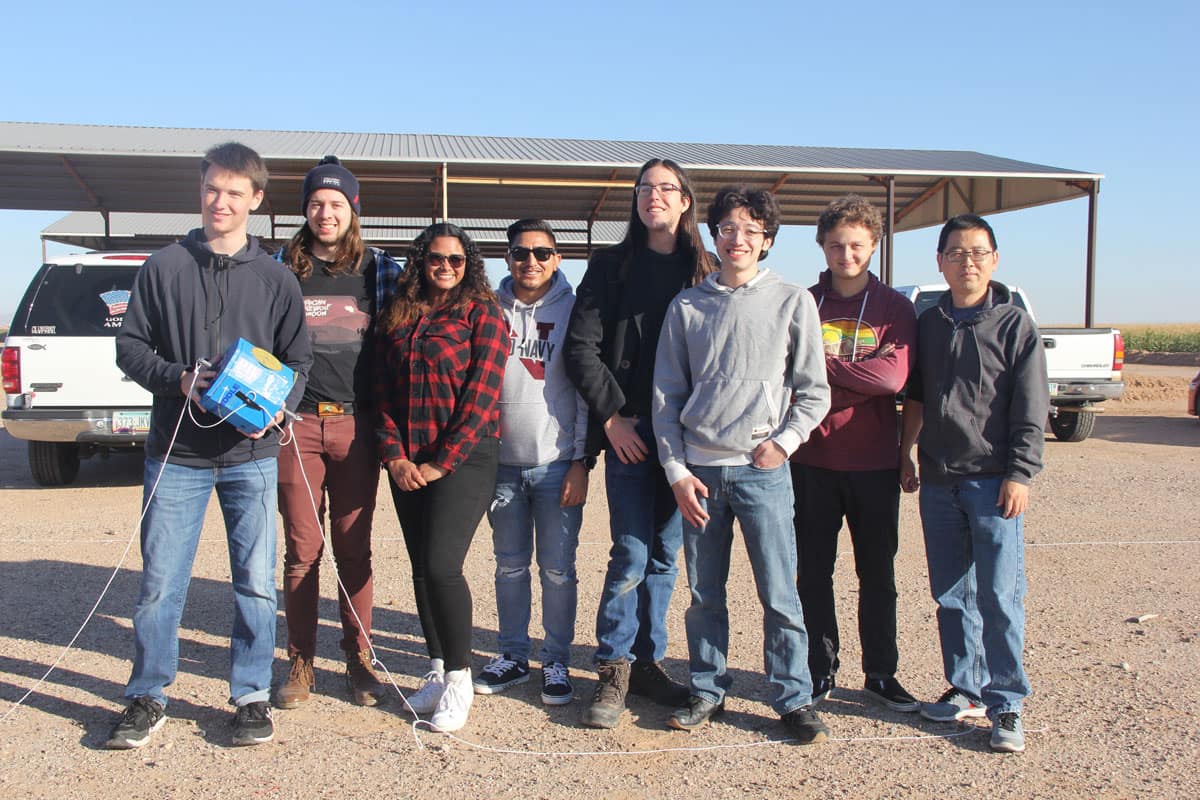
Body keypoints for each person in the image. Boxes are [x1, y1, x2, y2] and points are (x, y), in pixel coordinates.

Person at [107, 142, 312, 749]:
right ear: (200, 193)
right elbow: (130, 348)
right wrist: (178, 379)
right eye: (211, 190)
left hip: (250, 457)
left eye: (234, 192)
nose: (220, 202)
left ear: (255, 200)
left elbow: (298, 360)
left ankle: (250, 696)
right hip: (176, 455)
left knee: (254, 582)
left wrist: (278, 408)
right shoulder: (162, 267)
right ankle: (148, 694)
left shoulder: (276, 279)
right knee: (161, 583)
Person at [653, 185, 832, 743]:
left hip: (764, 474)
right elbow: (666, 397)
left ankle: (792, 697)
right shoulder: (688, 306)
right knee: (706, 593)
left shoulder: (792, 300)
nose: (738, 239)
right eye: (728, 228)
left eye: (751, 230)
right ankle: (708, 687)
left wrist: (785, 442)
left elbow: (814, 390)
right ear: (714, 235)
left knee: (779, 592)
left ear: (768, 240)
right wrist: (678, 472)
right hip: (701, 477)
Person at [564, 157, 714, 729]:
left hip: (688, 440)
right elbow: (581, 348)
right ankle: (613, 669)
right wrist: (612, 419)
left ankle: (648, 664)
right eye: (646, 188)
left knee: (664, 556)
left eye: (666, 188)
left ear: (684, 202)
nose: (655, 196)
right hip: (630, 433)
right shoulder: (611, 267)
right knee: (629, 550)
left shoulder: (706, 269)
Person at [900, 214, 1049, 754]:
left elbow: (1032, 409)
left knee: (1000, 596)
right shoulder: (931, 322)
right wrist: (906, 453)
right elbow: (915, 395)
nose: (968, 262)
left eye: (978, 252)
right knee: (951, 595)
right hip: (939, 479)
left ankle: (1006, 703)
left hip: (992, 483)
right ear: (939, 261)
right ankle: (964, 688)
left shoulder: (1014, 326)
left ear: (995, 259)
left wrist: (1020, 474)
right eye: (957, 253)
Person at [273, 156, 402, 710]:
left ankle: (359, 658)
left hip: (355, 424)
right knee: (303, 549)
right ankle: (301, 660)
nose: (326, 213)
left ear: (354, 209)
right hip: (294, 424)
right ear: (305, 210)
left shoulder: (381, 270)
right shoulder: (280, 268)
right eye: (316, 203)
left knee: (354, 550)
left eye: (337, 204)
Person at [375, 222, 508, 733]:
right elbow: (381, 393)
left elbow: (481, 398)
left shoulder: (483, 315)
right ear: (421, 261)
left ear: (468, 264)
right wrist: (396, 458)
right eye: (436, 258)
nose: (446, 267)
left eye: (456, 260)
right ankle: (434, 667)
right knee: (418, 567)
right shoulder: (400, 315)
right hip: (408, 461)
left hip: (465, 458)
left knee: (442, 564)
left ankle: (459, 677)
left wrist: (439, 462)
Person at [789, 194, 919, 712]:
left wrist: (819, 365)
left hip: (873, 463)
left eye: (858, 245)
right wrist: (861, 374)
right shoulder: (802, 302)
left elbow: (892, 379)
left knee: (877, 574)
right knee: (813, 572)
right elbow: (785, 371)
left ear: (874, 246)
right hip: (811, 459)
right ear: (822, 246)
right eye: (837, 244)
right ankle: (820, 668)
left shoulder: (895, 307)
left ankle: (880, 672)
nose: (847, 254)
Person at [473, 219, 589, 706]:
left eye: (542, 252)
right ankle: (513, 655)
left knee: (558, 569)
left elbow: (586, 386)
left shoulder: (575, 310)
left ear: (557, 259)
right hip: (502, 464)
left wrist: (582, 459)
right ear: (507, 257)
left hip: (557, 462)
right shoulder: (487, 308)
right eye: (521, 252)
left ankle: (557, 659)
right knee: (509, 567)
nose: (532, 261)